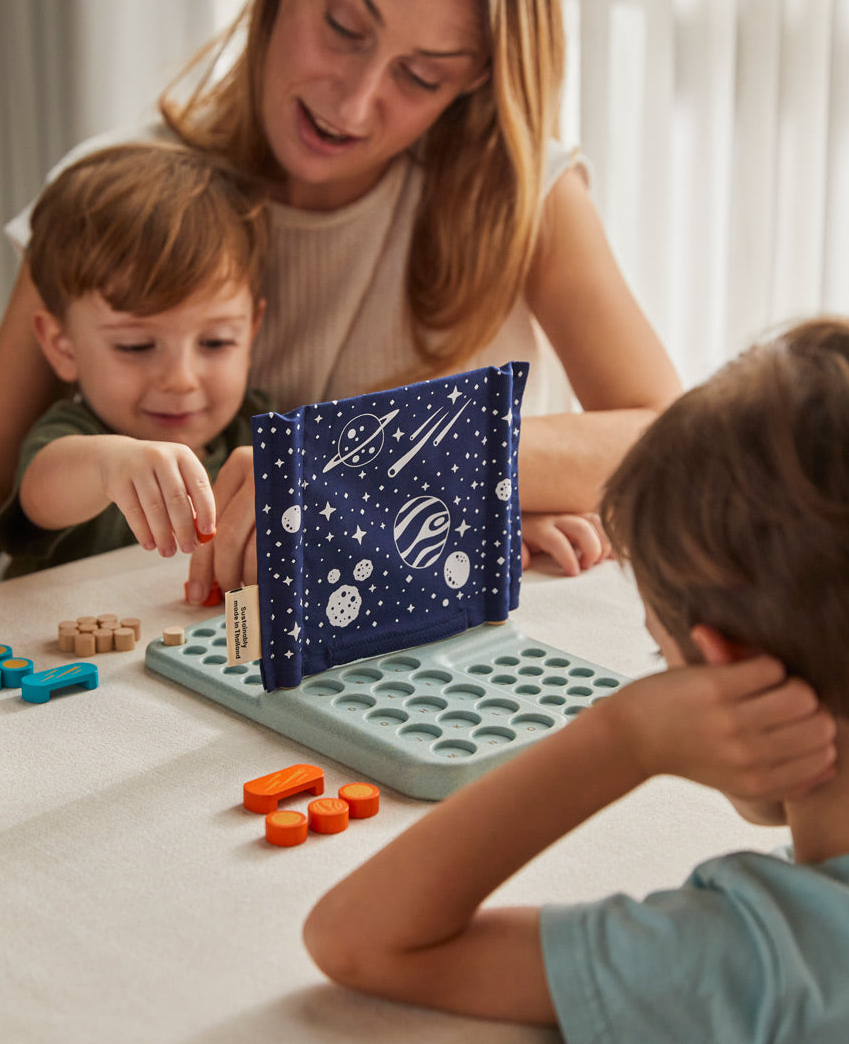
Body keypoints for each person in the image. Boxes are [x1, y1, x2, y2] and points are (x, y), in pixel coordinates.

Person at [0, 0, 681, 697]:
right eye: (344, 27)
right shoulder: (119, 198)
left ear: (476, 81)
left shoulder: (522, 198)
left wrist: (384, 474)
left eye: (421, 75)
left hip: (393, 688)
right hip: (170, 693)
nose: (352, 101)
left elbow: (672, 441)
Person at [303, 316, 849, 1040]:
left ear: (723, 673)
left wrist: (622, 738)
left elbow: (359, 938)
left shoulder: (756, 959)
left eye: (662, 659)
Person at [0, 141, 268, 577]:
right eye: (136, 346)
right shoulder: (72, 437)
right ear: (63, 347)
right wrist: (109, 466)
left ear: (251, 332)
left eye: (216, 342)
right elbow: (41, 494)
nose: (181, 380)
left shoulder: (260, 428)